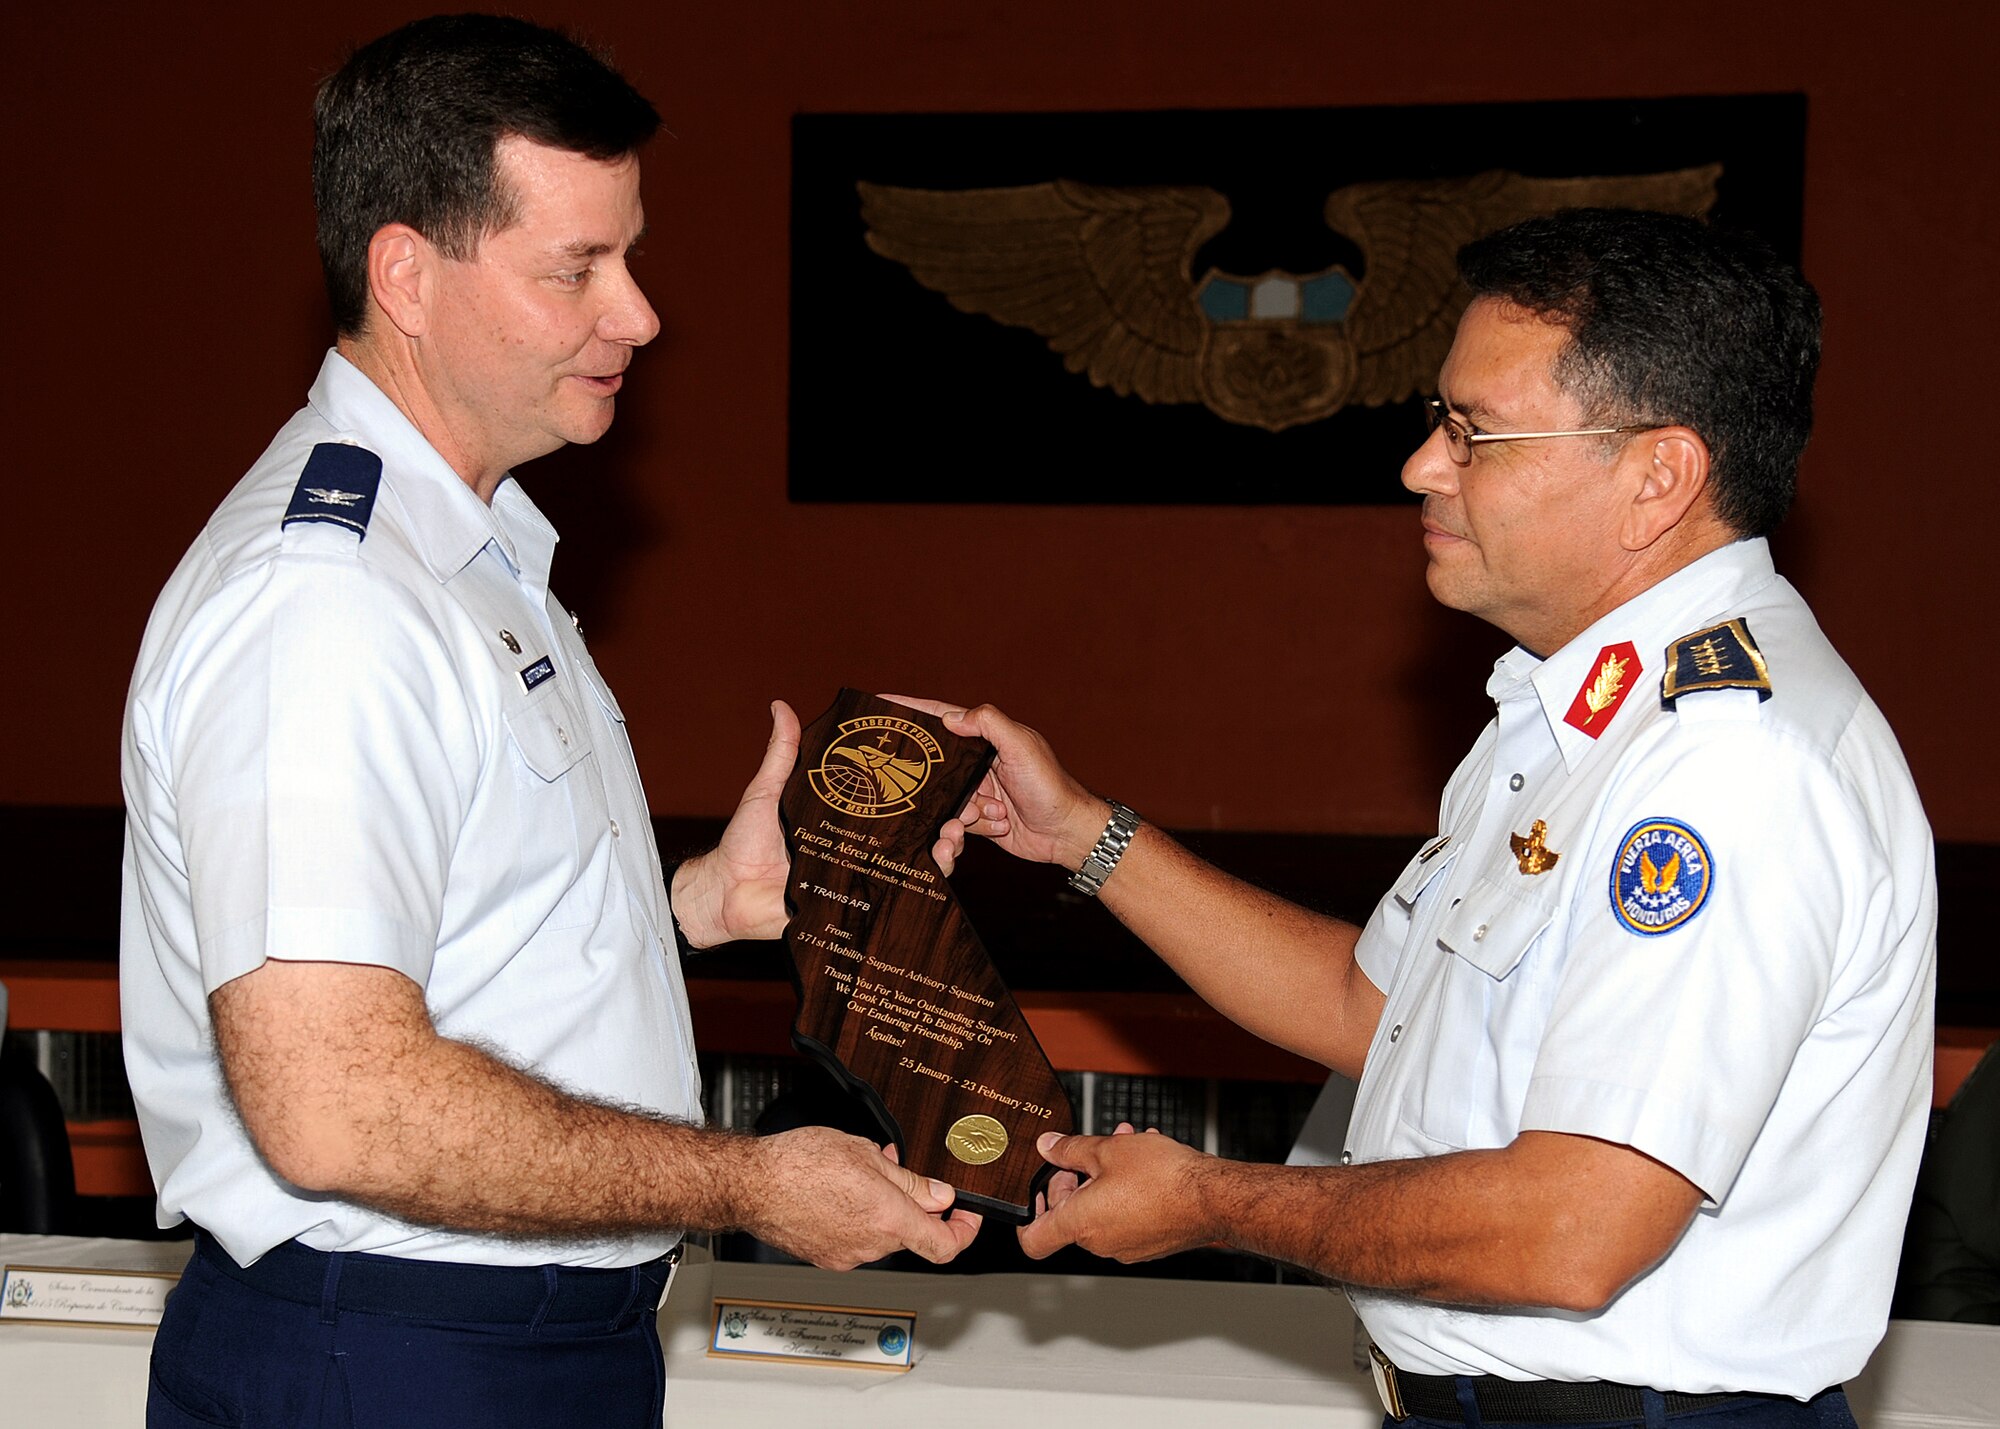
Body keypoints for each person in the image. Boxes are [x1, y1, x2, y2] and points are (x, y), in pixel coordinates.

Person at [923, 209, 1936, 1425]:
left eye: (1474, 433)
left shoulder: (1726, 763)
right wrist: (1081, 834)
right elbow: (1376, 1010)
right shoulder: (1568, 711)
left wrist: (1210, 1203)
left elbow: (1573, 1228)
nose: (1420, 464)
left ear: (1655, 475)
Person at [118, 15, 976, 1427]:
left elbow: (455, 932)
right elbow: (338, 1102)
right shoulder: (326, 602)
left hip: (502, 1344)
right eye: (578, 266)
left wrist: (691, 902)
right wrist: (752, 1179)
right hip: (390, 1353)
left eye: (628, 256)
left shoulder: (463, 551)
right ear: (407, 274)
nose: (638, 313)